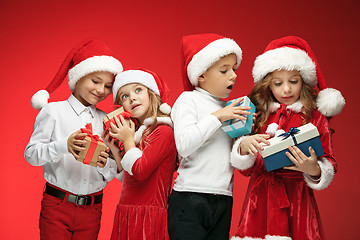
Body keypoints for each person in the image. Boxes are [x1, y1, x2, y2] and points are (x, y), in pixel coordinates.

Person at [230, 36, 345, 240]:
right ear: (268, 84)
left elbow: (329, 160)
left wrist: (314, 169)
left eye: (293, 81)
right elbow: (246, 170)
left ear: (303, 81)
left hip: (297, 201)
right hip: (260, 201)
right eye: (278, 83)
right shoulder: (257, 113)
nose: (286, 89)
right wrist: (243, 147)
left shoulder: (314, 115)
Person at [24, 39, 123, 240]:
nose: (101, 90)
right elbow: (31, 155)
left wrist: (104, 164)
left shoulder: (106, 120)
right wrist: (64, 146)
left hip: (92, 209)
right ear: (78, 77)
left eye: (107, 86)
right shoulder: (53, 111)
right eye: (95, 81)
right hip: (57, 205)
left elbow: (114, 170)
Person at [168, 33, 250, 240]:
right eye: (224, 70)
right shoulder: (189, 100)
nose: (233, 75)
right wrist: (217, 117)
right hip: (190, 196)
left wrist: (245, 134)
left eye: (234, 69)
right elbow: (184, 146)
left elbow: (234, 159)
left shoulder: (228, 108)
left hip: (223, 198)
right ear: (201, 75)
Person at [103, 69, 177, 240]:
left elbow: (141, 171)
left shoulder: (163, 131)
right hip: (126, 211)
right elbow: (130, 177)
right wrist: (114, 149)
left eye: (138, 90)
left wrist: (127, 140)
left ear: (152, 94)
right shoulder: (138, 134)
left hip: (148, 215)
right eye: (124, 96)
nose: (132, 98)